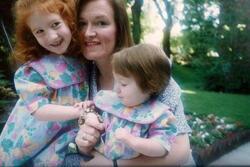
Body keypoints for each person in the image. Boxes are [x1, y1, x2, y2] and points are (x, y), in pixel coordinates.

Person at [72, 0, 194, 166]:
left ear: (119, 28)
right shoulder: (79, 80)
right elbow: (91, 146)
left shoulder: (149, 72)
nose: (88, 32)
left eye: (101, 23)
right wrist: (83, 145)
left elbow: (181, 151)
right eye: (82, 23)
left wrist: (115, 165)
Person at [0, 0, 89, 166]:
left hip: (63, 139)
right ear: (32, 36)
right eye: (39, 31)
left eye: (55, 24)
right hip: (32, 140)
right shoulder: (33, 71)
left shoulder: (83, 60)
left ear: (69, 20)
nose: (51, 36)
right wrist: (79, 112)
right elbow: (39, 110)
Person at [75, 43, 177, 160]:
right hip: (100, 157)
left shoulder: (159, 115)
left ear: (150, 86)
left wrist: (133, 141)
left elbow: (161, 147)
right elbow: (97, 110)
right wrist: (88, 107)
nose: (115, 89)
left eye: (123, 83)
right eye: (116, 81)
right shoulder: (114, 100)